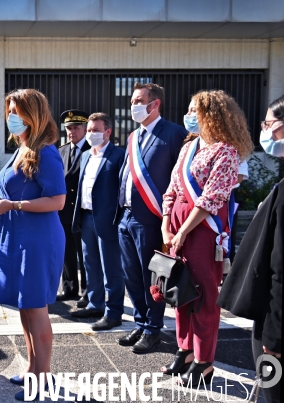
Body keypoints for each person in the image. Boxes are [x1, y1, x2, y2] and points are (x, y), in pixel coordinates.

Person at [161, 90, 254, 386]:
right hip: (176, 226)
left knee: (203, 297)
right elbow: (172, 188)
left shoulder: (226, 151)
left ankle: (203, 361)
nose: (188, 115)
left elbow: (210, 199)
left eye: (194, 110)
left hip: (202, 230)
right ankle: (185, 350)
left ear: (211, 115)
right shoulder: (188, 148)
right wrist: (166, 225)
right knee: (180, 292)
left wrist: (183, 231)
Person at [0, 89, 66, 401]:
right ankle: (33, 368)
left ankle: (43, 379)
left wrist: (14, 205)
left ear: (34, 115)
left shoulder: (46, 151)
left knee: (36, 309)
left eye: (17, 112)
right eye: (9, 112)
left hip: (37, 239)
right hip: (16, 237)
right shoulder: (23, 148)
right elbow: (17, 191)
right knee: (25, 308)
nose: (11, 118)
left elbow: (57, 200)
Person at [218, 95, 283, 403]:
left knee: (272, 389)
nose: (265, 132)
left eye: (269, 124)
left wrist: (273, 336)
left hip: (276, 329)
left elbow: (280, 267)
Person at [116, 82, 188, 354]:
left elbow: (180, 180)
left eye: (138, 100)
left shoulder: (174, 135)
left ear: (154, 103)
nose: (133, 105)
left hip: (152, 219)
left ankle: (153, 329)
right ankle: (140, 320)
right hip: (127, 217)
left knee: (152, 278)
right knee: (131, 276)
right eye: (133, 101)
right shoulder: (133, 137)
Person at [70, 113, 126, 331]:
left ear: (108, 132)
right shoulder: (85, 156)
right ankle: (95, 303)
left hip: (107, 220)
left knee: (111, 267)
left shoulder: (118, 156)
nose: (91, 134)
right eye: (90, 130)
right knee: (90, 262)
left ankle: (114, 312)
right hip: (85, 216)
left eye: (95, 130)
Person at [56, 109, 90, 306]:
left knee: (84, 254)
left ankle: (87, 291)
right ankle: (69, 288)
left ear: (85, 129)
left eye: (76, 127)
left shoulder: (91, 149)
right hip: (64, 212)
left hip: (82, 211)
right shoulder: (61, 150)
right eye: (68, 128)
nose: (71, 131)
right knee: (66, 251)